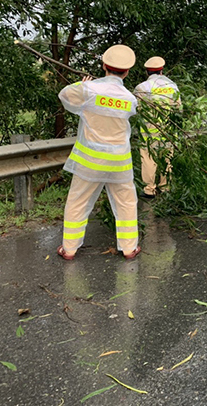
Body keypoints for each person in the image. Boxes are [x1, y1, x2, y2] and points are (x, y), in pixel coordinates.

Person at [57, 44, 141, 260]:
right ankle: (130, 248)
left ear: (104, 65)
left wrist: (83, 84)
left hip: (90, 160)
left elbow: (65, 96)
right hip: (119, 161)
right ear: (127, 71)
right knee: (126, 203)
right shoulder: (130, 99)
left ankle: (69, 249)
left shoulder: (89, 90)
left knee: (78, 201)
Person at [133, 56, 181, 200]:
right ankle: (165, 187)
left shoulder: (142, 87)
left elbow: (136, 109)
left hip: (149, 130)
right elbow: (179, 108)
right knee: (167, 158)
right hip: (169, 130)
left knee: (148, 159)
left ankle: (149, 190)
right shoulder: (173, 86)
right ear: (162, 71)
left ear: (147, 72)